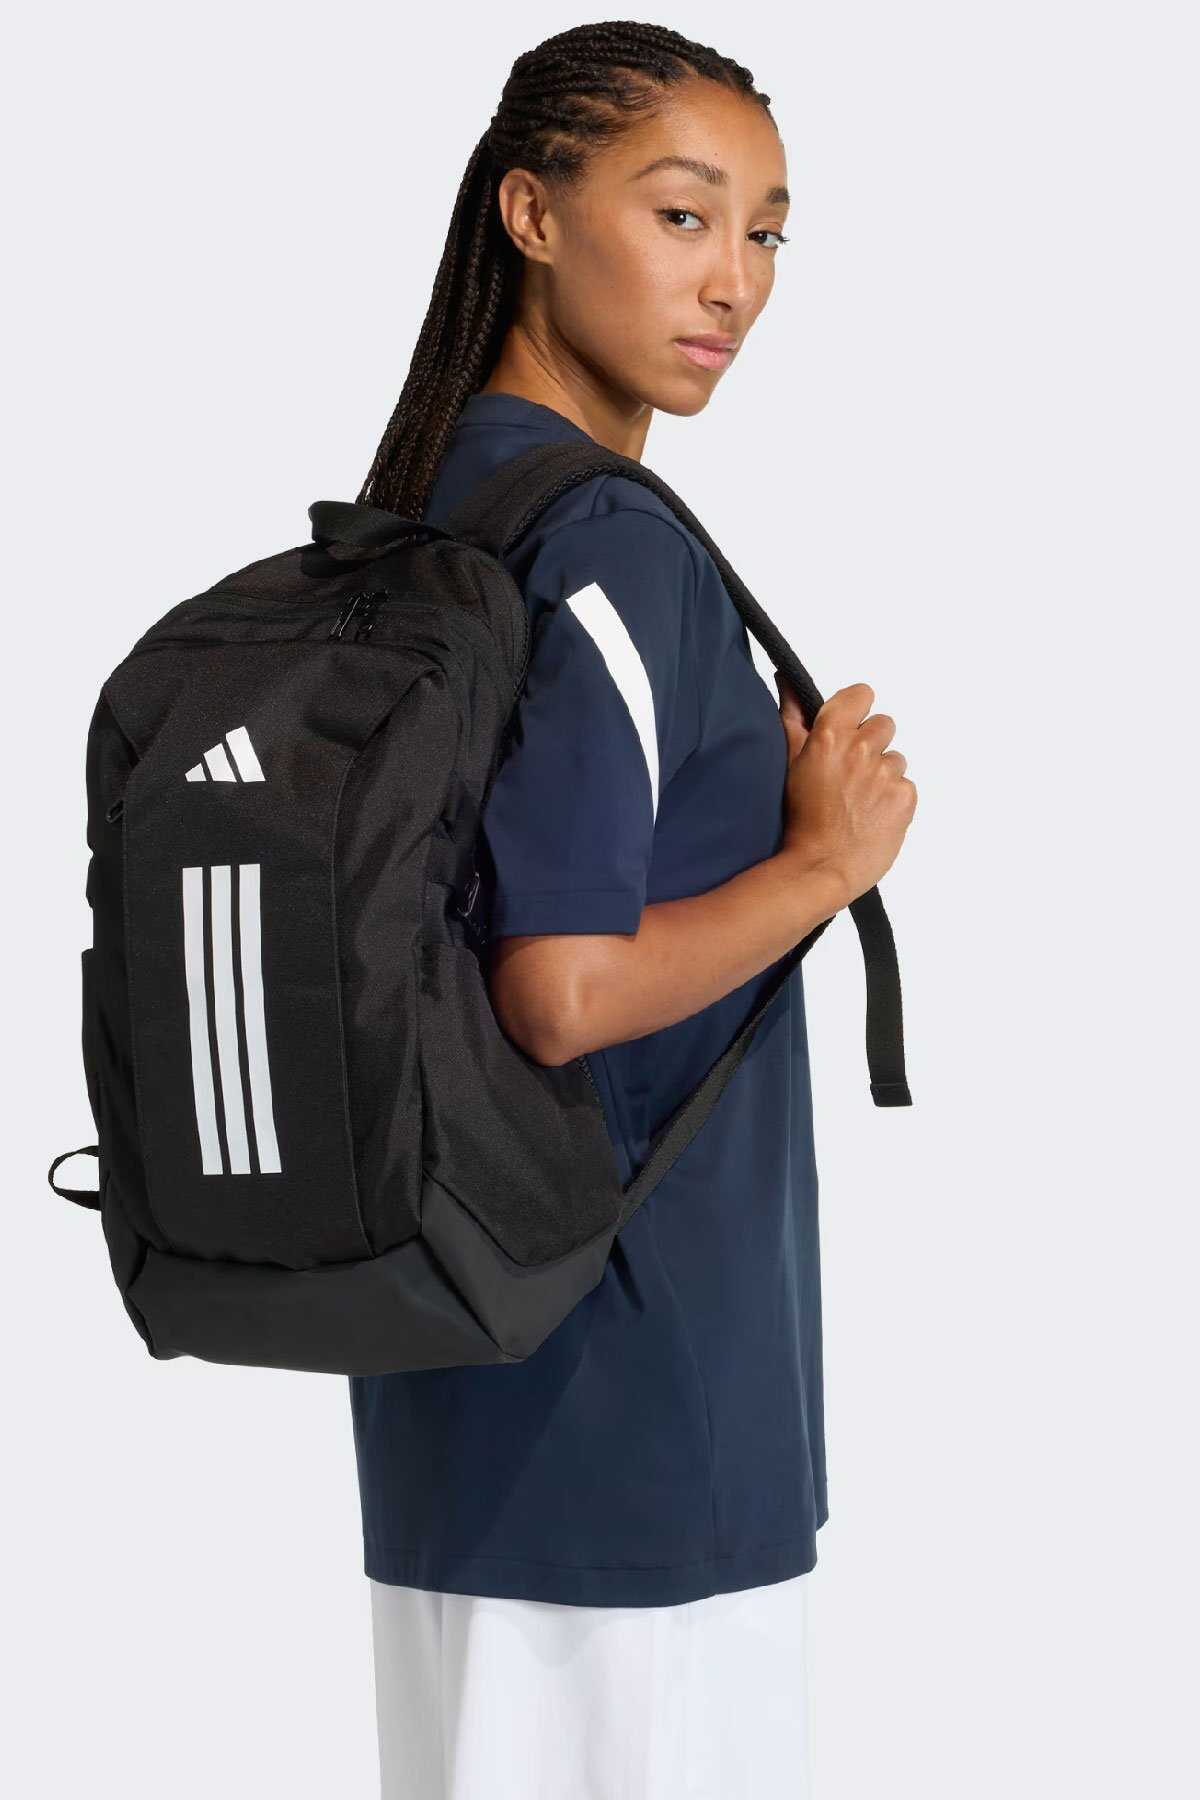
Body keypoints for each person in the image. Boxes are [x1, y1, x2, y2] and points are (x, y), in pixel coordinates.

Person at [347, 21, 917, 1799]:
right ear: (531, 213)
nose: (734, 279)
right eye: (683, 215)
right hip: (636, 1419)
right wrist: (824, 863)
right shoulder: (605, 544)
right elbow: (563, 990)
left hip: (463, 1387)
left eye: (767, 232)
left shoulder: (435, 509)